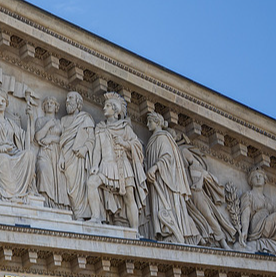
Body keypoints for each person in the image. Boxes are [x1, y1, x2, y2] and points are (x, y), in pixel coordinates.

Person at [86, 93, 145, 227]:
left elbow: (137, 146)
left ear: (115, 110)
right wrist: (95, 164)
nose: (104, 109)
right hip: (106, 165)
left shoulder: (125, 128)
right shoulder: (100, 127)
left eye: (107, 106)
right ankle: (96, 217)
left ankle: (134, 230)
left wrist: (124, 144)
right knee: (91, 183)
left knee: (129, 197)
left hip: (122, 166)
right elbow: (97, 149)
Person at [144, 112, 201, 244]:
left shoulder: (162, 138)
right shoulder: (154, 139)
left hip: (166, 182)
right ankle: (165, 232)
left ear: (157, 122)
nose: (147, 125)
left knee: (167, 206)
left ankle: (172, 232)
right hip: (157, 180)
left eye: (150, 122)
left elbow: (167, 157)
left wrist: (155, 167)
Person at [0, 90, 36, 202]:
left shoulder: (11, 122)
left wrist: (31, 118)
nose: (0, 103)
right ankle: (10, 194)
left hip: (13, 151)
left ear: (6, 104)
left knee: (29, 154)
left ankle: (22, 191)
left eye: (3, 101)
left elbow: (27, 138)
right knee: (4, 159)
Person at [59, 92, 95, 218]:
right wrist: (61, 157)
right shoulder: (63, 120)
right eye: (66, 98)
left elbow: (91, 139)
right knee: (70, 184)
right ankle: (75, 213)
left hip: (79, 157)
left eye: (70, 98)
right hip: (66, 155)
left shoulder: (86, 119)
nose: (67, 101)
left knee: (81, 185)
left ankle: (81, 215)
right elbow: (61, 141)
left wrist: (85, 149)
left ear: (78, 102)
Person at [34, 96, 66, 208]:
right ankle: (46, 202)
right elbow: (38, 137)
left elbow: (65, 139)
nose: (49, 105)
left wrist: (51, 139)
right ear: (43, 107)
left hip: (57, 153)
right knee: (43, 171)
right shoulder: (40, 121)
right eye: (47, 103)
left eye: (52, 103)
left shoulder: (60, 122)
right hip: (45, 153)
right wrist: (48, 125)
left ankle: (56, 205)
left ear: (56, 107)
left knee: (58, 180)